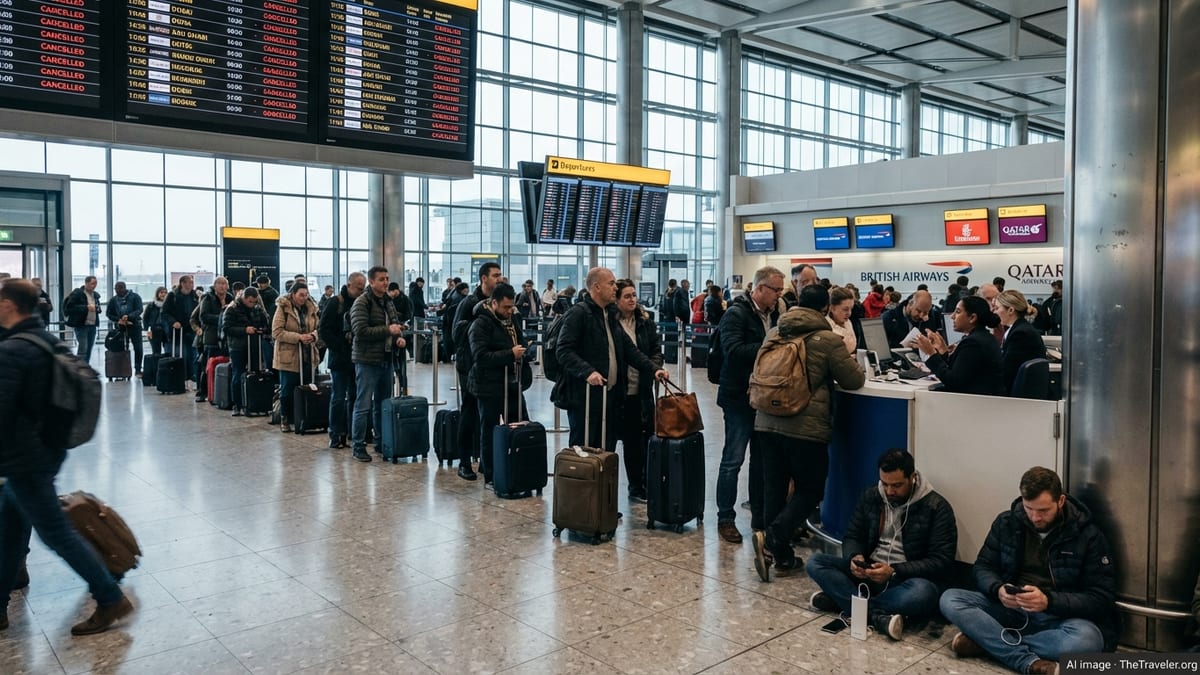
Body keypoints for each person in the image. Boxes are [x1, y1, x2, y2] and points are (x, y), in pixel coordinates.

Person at [0, 280, 134, 634]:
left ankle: (109, 596)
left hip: (24, 458)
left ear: (9, 306)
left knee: (56, 533)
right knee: (10, 531)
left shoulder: (13, 350)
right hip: (46, 449)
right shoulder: (45, 340)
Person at [941, 467, 1117, 675]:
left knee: (1087, 641)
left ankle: (988, 643)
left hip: (1058, 617)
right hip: (1011, 609)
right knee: (950, 599)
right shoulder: (1006, 522)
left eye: (1043, 511)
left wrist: (1049, 601)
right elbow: (983, 567)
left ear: (1060, 501)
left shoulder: (1088, 536)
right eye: (1028, 508)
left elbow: (1100, 597)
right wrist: (998, 589)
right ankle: (1027, 661)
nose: (1035, 517)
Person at [752, 285, 866, 582]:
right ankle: (776, 538)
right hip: (805, 426)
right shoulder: (828, 340)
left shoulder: (774, 332)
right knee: (811, 489)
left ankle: (776, 554)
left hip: (766, 419)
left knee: (774, 487)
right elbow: (852, 381)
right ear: (826, 309)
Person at [807, 449, 957, 640]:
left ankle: (846, 603)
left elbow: (941, 561)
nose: (889, 491)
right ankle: (878, 617)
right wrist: (855, 557)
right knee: (816, 562)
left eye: (896, 485)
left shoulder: (937, 507)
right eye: (884, 484)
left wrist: (894, 570)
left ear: (912, 477)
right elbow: (853, 535)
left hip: (905, 580)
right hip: (869, 571)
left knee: (923, 593)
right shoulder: (872, 496)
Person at [552, 267, 669, 454]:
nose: (615, 287)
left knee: (606, 454)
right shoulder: (579, 314)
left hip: (609, 399)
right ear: (597, 287)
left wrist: (653, 368)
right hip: (585, 399)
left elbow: (630, 350)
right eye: (611, 283)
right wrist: (588, 371)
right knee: (584, 453)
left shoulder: (609, 315)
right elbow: (564, 350)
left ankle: (604, 484)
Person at [714, 266, 785, 544]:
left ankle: (760, 517)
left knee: (761, 461)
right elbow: (733, 351)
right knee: (733, 460)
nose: (779, 295)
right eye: (775, 290)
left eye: (781, 291)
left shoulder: (778, 312)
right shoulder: (736, 313)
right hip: (738, 397)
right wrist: (771, 348)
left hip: (765, 397)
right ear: (758, 288)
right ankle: (725, 517)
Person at [467, 283, 533, 486]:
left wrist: (524, 353)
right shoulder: (480, 324)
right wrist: (509, 355)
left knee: (521, 426)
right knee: (489, 430)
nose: (509, 311)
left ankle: (519, 468)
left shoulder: (512, 321)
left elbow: (519, 344)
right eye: (505, 307)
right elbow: (480, 356)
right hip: (488, 386)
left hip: (512, 384)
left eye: (511, 307)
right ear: (493, 303)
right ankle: (491, 474)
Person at [452, 262, 504, 481]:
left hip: (492, 367)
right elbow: (456, 333)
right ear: (484, 278)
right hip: (470, 367)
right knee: (470, 412)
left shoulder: (500, 302)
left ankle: (487, 461)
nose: (499, 279)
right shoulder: (470, 303)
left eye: (500, 275)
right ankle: (464, 461)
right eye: (495, 275)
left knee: (490, 415)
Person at [614, 278, 664, 502]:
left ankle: (642, 482)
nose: (632, 299)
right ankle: (631, 485)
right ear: (616, 300)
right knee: (628, 440)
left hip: (642, 388)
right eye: (627, 296)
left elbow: (655, 349)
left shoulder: (645, 322)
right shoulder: (611, 324)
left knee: (643, 438)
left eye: (634, 295)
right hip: (620, 391)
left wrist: (654, 367)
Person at [350, 267, 406, 462]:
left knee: (383, 404)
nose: (385, 282)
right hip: (366, 360)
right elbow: (360, 331)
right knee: (363, 404)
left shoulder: (388, 302)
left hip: (386, 358)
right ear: (371, 282)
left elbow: (395, 324)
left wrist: (398, 336)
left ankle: (382, 442)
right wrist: (388, 330)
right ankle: (358, 445)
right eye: (381, 279)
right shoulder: (361, 302)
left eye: (387, 278)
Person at [914, 295, 1005, 396]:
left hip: (974, 402)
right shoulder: (984, 337)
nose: (952, 316)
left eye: (957, 312)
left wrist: (931, 353)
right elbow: (958, 370)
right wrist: (943, 351)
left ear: (972, 318)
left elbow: (953, 381)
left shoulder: (973, 343)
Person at [319, 272, 365, 448]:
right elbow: (323, 329)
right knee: (338, 397)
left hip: (357, 357)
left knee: (355, 396)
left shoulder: (362, 302)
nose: (361, 291)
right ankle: (336, 434)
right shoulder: (335, 302)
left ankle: (354, 432)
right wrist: (340, 345)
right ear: (350, 284)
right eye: (359, 288)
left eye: (363, 288)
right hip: (340, 358)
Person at [272, 282, 320, 433]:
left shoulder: (312, 308)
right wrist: (298, 337)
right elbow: (277, 332)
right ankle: (285, 417)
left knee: (307, 387)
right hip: (289, 355)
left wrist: (313, 336)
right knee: (287, 389)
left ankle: (305, 416)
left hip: (307, 354)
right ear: (293, 294)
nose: (303, 298)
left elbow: (319, 328)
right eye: (301, 295)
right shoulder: (283, 308)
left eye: (306, 295)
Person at [222, 286, 271, 417]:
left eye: (254, 301)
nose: (252, 304)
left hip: (254, 345)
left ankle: (254, 403)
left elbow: (266, 324)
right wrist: (244, 330)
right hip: (237, 347)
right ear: (243, 298)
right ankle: (237, 404)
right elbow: (227, 328)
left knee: (256, 373)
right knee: (238, 373)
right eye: (250, 301)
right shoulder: (232, 308)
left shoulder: (257, 308)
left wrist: (262, 329)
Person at [995, 290, 1048, 396]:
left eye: (997, 308)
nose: (994, 312)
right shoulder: (1019, 329)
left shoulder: (1021, 334)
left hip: (1017, 399)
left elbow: (1008, 371)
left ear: (1010, 310)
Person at [192, 276, 233, 402]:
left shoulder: (230, 298)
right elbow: (203, 316)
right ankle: (202, 392)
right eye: (219, 283)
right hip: (211, 337)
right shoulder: (207, 298)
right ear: (215, 286)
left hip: (226, 338)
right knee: (207, 365)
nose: (222, 286)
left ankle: (221, 392)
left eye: (224, 284)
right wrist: (222, 317)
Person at [161, 275, 201, 385]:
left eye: (192, 282)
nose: (191, 285)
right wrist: (173, 322)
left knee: (193, 353)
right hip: (178, 330)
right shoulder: (172, 296)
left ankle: (192, 375)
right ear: (183, 283)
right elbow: (164, 312)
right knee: (181, 353)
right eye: (189, 282)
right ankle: (181, 376)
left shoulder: (195, 296)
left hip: (191, 329)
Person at [105, 281, 144, 376]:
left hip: (134, 326)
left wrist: (129, 316)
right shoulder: (113, 300)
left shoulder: (135, 297)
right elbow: (108, 313)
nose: (118, 291)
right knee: (120, 348)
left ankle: (138, 369)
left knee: (138, 348)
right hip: (120, 327)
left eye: (120, 288)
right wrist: (118, 320)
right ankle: (122, 369)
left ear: (125, 288)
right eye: (116, 289)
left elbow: (139, 309)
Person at [63, 275, 101, 362]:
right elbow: (70, 308)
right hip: (81, 325)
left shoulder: (95, 295)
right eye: (92, 283)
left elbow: (97, 307)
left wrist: (97, 309)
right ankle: (80, 368)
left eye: (96, 283)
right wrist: (86, 307)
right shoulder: (78, 293)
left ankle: (86, 366)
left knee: (89, 349)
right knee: (83, 348)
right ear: (86, 283)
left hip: (92, 325)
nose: (94, 286)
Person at [826, 286, 858, 354]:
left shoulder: (848, 322)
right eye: (845, 309)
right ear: (832, 308)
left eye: (851, 309)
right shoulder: (826, 328)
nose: (849, 313)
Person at [143, 286, 168, 357]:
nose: (163, 294)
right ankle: (156, 367)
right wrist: (147, 330)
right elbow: (145, 318)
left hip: (166, 331)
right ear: (157, 294)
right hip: (154, 330)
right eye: (161, 292)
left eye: (165, 292)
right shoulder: (151, 305)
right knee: (156, 352)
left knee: (168, 351)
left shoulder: (168, 305)